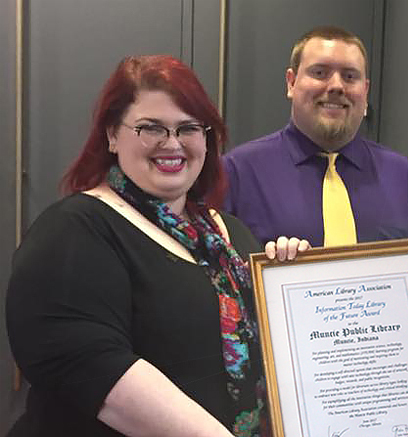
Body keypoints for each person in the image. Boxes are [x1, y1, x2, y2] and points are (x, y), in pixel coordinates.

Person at [5, 55, 306, 436]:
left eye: (188, 128)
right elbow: (94, 368)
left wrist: (292, 282)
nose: (172, 144)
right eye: (151, 128)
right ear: (112, 135)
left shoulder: (230, 235)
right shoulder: (74, 230)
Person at [222, 26, 408, 247]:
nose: (336, 86)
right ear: (291, 82)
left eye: (350, 76)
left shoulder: (407, 180)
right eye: (320, 73)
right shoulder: (236, 175)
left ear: (365, 90)